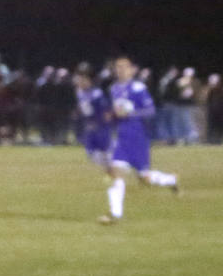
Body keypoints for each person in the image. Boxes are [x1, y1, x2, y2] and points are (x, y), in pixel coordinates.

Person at [98, 55, 179, 225]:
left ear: (131, 69)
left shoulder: (138, 88)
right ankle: (115, 214)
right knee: (116, 173)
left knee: (145, 178)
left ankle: (171, 180)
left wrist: (130, 113)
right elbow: (117, 113)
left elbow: (150, 110)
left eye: (123, 67)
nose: (120, 70)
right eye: (117, 67)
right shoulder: (114, 89)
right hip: (121, 138)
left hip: (138, 138)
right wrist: (111, 116)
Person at [72, 64, 111, 170]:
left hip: (100, 128)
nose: (80, 82)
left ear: (88, 81)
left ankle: (118, 172)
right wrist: (78, 112)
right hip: (89, 128)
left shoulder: (97, 93)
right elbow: (84, 108)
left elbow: (106, 111)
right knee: (91, 155)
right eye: (79, 80)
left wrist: (103, 125)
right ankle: (114, 171)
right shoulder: (80, 93)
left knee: (105, 154)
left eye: (83, 80)